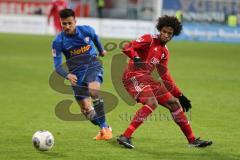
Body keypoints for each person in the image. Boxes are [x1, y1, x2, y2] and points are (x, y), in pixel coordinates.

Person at [117, 15, 213, 149]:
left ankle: (192, 140)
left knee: (174, 103)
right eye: (164, 31)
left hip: (146, 79)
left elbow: (165, 76)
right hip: (132, 76)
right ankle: (125, 136)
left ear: (173, 35)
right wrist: (136, 57)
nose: (166, 35)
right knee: (152, 102)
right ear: (159, 30)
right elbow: (127, 47)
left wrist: (180, 95)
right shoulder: (149, 39)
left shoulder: (164, 52)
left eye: (170, 33)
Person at [51, 8, 112, 140]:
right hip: (76, 74)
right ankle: (104, 128)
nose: (67, 26)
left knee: (93, 91)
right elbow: (57, 65)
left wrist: (101, 50)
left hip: (92, 64)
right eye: (64, 24)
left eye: (69, 23)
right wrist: (67, 75)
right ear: (60, 23)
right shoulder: (58, 42)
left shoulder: (86, 30)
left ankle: (105, 128)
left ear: (75, 21)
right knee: (86, 110)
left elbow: (95, 37)